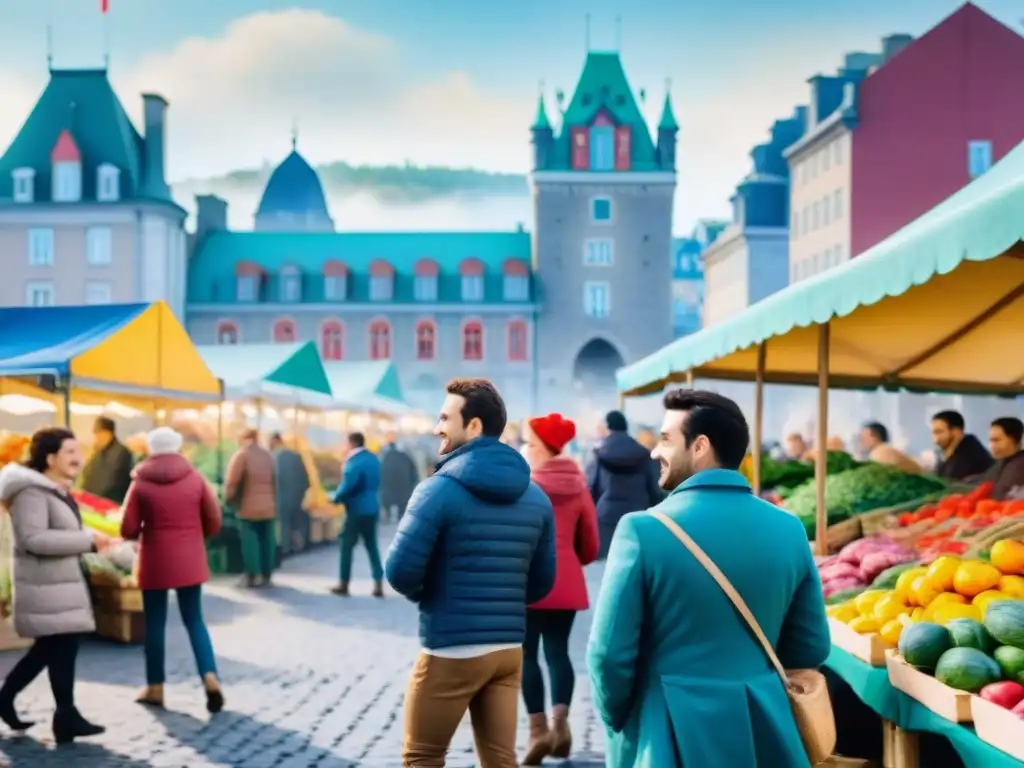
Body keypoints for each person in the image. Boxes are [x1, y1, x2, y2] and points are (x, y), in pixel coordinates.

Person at [587, 389, 831, 767]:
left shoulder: (642, 530)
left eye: (666, 439)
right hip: (764, 727)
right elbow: (811, 646)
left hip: (669, 728)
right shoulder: (789, 528)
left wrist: (617, 718)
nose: (654, 451)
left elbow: (608, 655)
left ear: (700, 446)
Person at [385, 378, 556, 768]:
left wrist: (435, 594)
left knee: (422, 757)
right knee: (499, 760)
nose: (436, 427)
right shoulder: (536, 497)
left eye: (445, 417)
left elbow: (399, 572)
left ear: (474, 426)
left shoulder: (437, 490)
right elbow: (542, 582)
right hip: (508, 649)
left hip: (451, 647)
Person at [0, 428, 106, 744]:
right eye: (70, 452)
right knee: (55, 645)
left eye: (78, 451)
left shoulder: (53, 490)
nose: (78, 458)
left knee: (61, 646)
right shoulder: (32, 493)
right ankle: (21, 701)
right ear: (50, 458)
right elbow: (34, 539)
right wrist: (88, 541)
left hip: (58, 583)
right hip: (45, 584)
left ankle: (65, 715)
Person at [120, 427, 225, 713]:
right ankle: (210, 676)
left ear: (151, 449)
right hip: (190, 557)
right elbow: (214, 519)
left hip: (154, 560)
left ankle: (156, 688)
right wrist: (193, 536)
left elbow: (127, 527)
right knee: (195, 620)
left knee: (154, 624)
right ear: (179, 447)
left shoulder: (139, 482)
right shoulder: (195, 478)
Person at [520, 413, 599, 766]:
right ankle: (561, 725)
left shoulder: (524, 485)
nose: (525, 448)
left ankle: (537, 731)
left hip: (528, 582)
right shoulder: (579, 486)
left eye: (529, 443)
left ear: (541, 447)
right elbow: (591, 546)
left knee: (526, 656)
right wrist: (569, 556)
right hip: (565, 582)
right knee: (558, 653)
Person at [586, 410, 664, 559]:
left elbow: (591, 488)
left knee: (605, 568)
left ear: (608, 427)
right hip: (638, 515)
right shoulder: (644, 454)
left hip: (606, 518)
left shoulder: (599, 454)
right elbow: (655, 488)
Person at [331, 432, 385, 598]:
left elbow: (348, 485)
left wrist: (335, 498)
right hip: (372, 508)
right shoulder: (374, 459)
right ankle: (378, 583)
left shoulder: (353, 462)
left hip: (355, 510)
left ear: (351, 443)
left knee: (346, 545)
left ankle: (344, 583)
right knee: (372, 546)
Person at [224, 428, 277, 588]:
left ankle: (252, 574)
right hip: (268, 506)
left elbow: (232, 481)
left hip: (248, 506)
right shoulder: (268, 455)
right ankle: (267, 573)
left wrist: (228, 499)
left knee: (250, 541)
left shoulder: (242, 455)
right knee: (267, 540)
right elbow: (274, 480)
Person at [269, 432, 310, 556]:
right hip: (297, 497)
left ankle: (284, 548)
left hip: (279, 496)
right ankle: (297, 546)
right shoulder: (296, 456)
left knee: (282, 523)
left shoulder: (272, 457)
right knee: (296, 522)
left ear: (274, 441)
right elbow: (306, 479)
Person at [80, 415, 133, 504]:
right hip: (94, 503)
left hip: (111, 505)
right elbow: (88, 475)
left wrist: (94, 499)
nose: (95, 437)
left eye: (97, 433)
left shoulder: (121, 453)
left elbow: (113, 481)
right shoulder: (98, 453)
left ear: (107, 433)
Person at [932, 410, 994, 481]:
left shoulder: (969, 452)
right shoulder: (945, 453)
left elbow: (948, 483)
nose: (935, 438)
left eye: (939, 432)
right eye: (933, 433)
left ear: (957, 432)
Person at [379, 433, 419, 524]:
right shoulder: (405, 455)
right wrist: (414, 482)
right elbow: (413, 471)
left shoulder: (383, 455)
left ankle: (387, 517)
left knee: (387, 502)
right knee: (402, 503)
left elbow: (378, 470)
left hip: (387, 485)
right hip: (403, 485)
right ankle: (401, 518)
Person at [984, 417, 1024, 499]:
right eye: (990, 441)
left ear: (1012, 440)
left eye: (996, 440)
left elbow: (998, 496)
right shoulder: (1002, 462)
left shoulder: (1019, 466)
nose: (992, 446)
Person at [858, 421, 922, 473]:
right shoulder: (886, 450)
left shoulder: (881, 452)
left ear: (875, 437)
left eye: (863, 437)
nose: (861, 440)